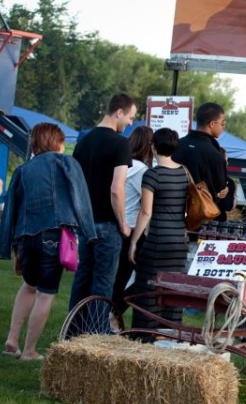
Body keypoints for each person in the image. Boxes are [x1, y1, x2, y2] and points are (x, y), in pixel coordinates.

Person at [0, 123, 96, 360]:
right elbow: (80, 198)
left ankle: (12, 340)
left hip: (26, 237)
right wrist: (89, 232)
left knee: (28, 285)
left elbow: (13, 207)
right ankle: (30, 350)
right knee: (45, 293)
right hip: (53, 236)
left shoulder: (24, 169)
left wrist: (13, 246)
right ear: (58, 142)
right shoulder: (67, 163)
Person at [69, 93, 136, 311]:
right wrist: (123, 223)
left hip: (84, 222)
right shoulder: (121, 144)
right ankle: (96, 336)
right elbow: (117, 189)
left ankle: (71, 333)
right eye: (130, 117)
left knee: (82, 280)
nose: (130, 122)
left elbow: (74, 184)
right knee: (103, 284)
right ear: (119, 112)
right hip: (107, 223)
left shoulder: (83, 142)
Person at [128, 128, 189, 332]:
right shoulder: (184, 173)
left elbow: (146, 212)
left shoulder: (152, 175)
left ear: (153, 147)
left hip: (157, 241)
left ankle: (146, 334)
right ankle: (170, 334)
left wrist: (134, 242)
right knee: (173, 289)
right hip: (179, 241)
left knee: (149, 288)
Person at [112, 125, 154, 314]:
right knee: (143, 277)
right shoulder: (142, 170)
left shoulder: (123, 166)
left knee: (117, 277)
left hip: (118, 224)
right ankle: (114, 313)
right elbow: (148, 205)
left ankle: (109, 313)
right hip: (132, 229)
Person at [172, 101, 229, 223]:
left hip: (172, 212)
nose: (223, 127)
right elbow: (220, 191)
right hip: (201, 219)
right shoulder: (215, 155)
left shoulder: (177, 145)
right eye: (223, 123)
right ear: (212, 124)